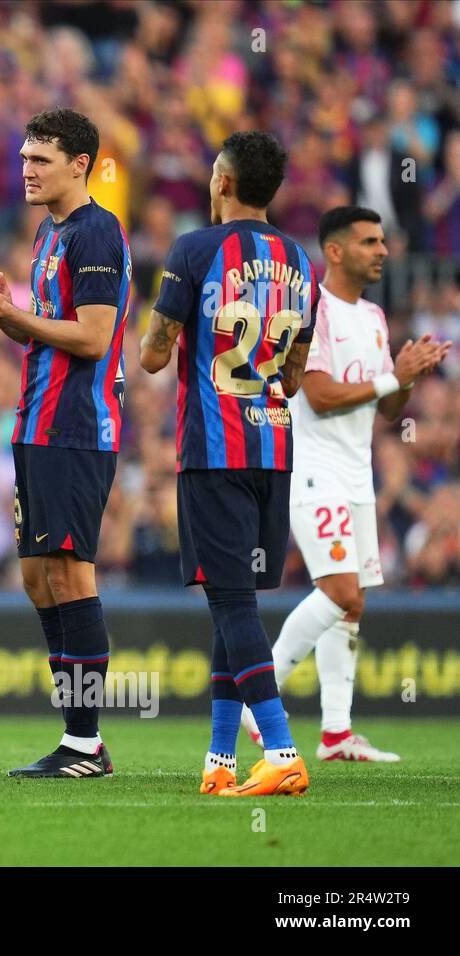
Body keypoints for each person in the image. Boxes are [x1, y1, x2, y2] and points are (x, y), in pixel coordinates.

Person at [0, 108, 131, 778]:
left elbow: (93, 338)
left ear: (80, 164)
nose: (26, 170)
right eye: (23, 158)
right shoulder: (49, 235)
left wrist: (12, 314)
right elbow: (46, 331)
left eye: (40, 160)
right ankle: (78, 736)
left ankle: (85, 742)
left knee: (71, 571)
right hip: (36, 421)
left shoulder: (96, 232)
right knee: (36, 576)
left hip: (77, 424)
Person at [140, 131, 318, 797]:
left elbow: (155, 356)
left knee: (232, 603)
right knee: (228, 601)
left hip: (215, 452)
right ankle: (219, 761)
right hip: (272, 448)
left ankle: (280, 748)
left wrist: (163, 328)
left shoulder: (193, 249)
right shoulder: (300, 261)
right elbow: (295, 378)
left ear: (222, 181)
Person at [242, 206, 450, 761]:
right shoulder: (316, 309)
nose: (382, 250)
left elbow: (386, 411)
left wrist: (406, 379)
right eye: (368, 242)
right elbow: (319, 394)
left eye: (383, 241)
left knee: (353, 606)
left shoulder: (375, 318)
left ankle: (336, 733)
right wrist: (393, 377)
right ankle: (257, 705)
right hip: (314, 470)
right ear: (335, 251)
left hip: (358, 473)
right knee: (340, 592)